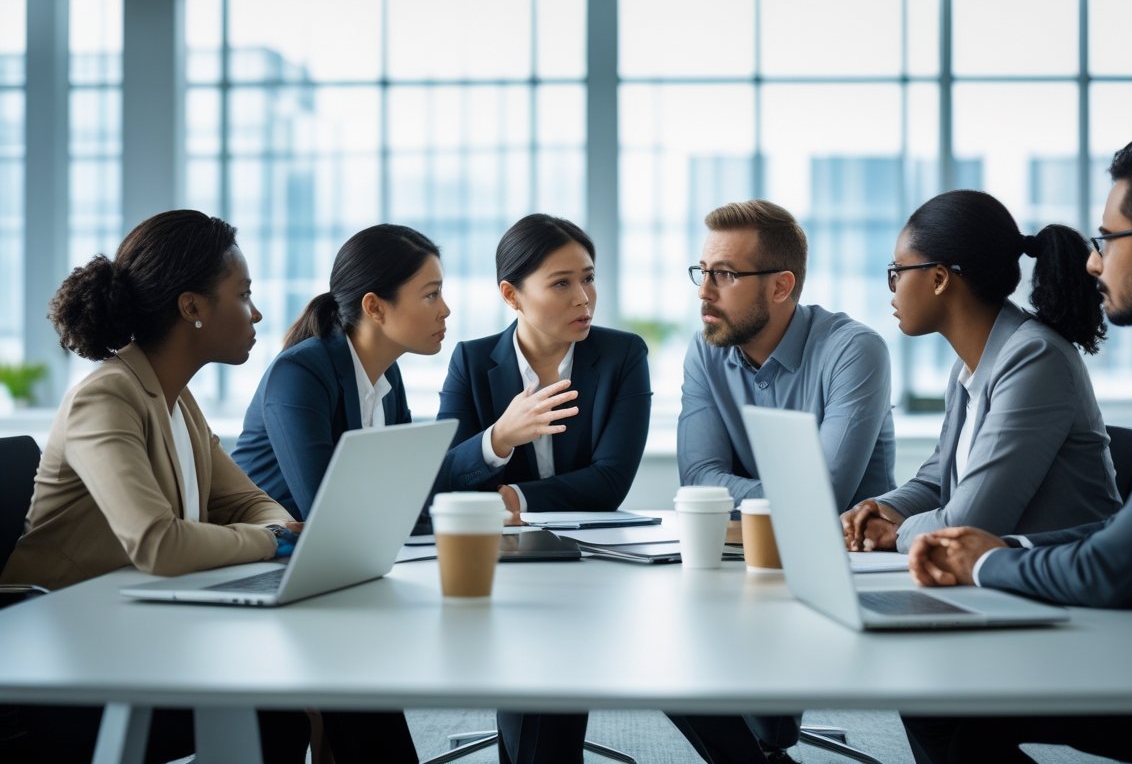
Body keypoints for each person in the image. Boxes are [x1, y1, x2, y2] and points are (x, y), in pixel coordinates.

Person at [901, 132, 1132, 763]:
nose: (1093, 263)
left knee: (945, 695)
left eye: (1107, 240)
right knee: (942, 701)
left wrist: (983, 563)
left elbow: (1111, 569)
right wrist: (1006, 549)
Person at [0, 210, 310, 763]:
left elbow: (246, 500)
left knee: (289, 690)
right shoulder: (105, 397)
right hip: (63, 657)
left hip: (140, 628)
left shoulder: (178, 400)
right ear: (192, 308)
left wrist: (275, 527)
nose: (257, 313)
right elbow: (157, 543)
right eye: (243, 295)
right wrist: (272, 541)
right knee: (275, 709)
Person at [675, 198, 896, 761]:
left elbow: (821, 498)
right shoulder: (706, 350)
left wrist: (738, 495)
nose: (704, 292)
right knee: (663, 645)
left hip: (841, 565)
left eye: (725, 275)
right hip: (744, 559)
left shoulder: (854, 350)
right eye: (703, 272)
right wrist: (776, 501)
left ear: (781, 286)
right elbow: (697, 480)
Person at [434, 213, 651, 764]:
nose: (584, 297)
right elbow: (445, 477)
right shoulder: (472, 360)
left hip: (591, 554)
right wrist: (500, 438)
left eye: (589, 277)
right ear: (512, 295)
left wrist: (509, 498)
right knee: (532, 661)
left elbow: (609, 481)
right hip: (500, 557)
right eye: (561, 283)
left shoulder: (623, 356)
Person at [232, 223, 449, 763]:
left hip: (331, 572)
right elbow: (327, 510)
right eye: (431, 295)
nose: (445, 310)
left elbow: (401, 500)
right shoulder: (300, 372)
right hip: (265, 569)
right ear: (375, 307)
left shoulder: (387, 381)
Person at [841, 190, 1122, 555]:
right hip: (1004, 574)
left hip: (1066, 578)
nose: (893, 289)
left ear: (939, 278)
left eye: (898, 271)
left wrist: (895, 533)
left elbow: (970, 523)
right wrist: (876, 509)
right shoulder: (968, 368)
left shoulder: (1036, 358)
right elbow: (936, 481)